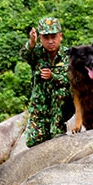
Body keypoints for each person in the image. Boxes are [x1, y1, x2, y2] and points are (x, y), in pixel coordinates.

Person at [22, 16, 73, 147]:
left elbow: (72, 80)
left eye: (53, 37)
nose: (50, 41)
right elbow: (24, 55)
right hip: (40, 105)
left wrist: (53, 77)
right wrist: (31, 43)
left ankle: (57, 127)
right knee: (33, 141)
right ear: (40, 38)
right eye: (46, 37)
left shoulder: (69, 54)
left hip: (60, 105)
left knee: (55, 138)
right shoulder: (37, 52)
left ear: (60, 36)